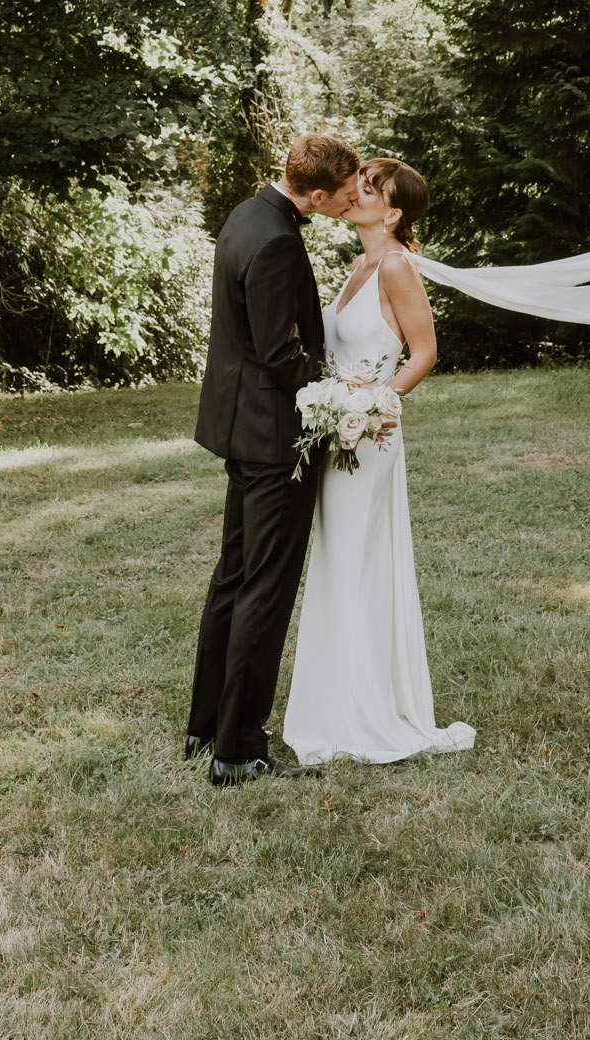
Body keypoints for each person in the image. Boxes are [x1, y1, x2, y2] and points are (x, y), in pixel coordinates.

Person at [283, 156, 476, 766]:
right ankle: (335, 707)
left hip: (370, 436)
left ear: (392, 213)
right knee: (339, 561)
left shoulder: (394, 264)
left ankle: (368, 714)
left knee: (360, 562)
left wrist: (376, 404)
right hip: (336, 431)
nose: (356, 192)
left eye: (370, 188)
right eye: (358, 184)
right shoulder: (360, 265)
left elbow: (424, 351)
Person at [185, 132, 360, 787]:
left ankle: (207, 728)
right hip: (272, 439)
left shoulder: (245, 214)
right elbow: (277, 352)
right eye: (342, 197)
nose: (348, 204)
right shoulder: (279, 241)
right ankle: (237, 751)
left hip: (240, 427)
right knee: (264, 587)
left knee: (234, 577)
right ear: (314, 193)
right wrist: (340, 396)